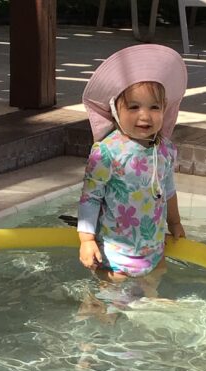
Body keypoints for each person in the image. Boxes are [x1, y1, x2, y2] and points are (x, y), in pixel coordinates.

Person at [77, 44, 187, 292]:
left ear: (165, 109)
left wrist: (175, 223)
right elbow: (91, 198)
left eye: (154, 107)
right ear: (116, 110)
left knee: (156, 275)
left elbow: (167, 190)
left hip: (154, 244)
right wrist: (86, 239)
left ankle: (151, 300)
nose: (145, 116)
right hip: (117, 249)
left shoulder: (165, 149)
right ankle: (94, 305)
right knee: (112, 291)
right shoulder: (107, 152)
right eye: (134, 107)